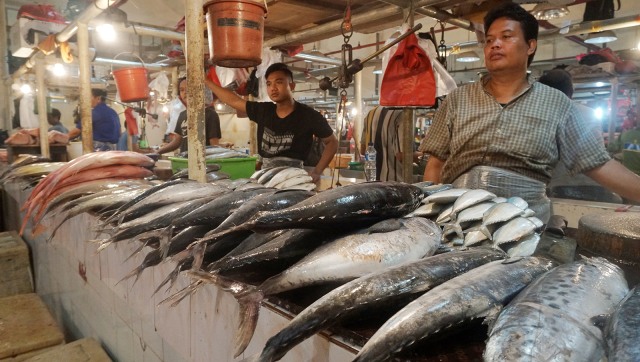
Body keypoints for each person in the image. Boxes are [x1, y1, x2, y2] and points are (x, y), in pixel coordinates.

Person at [420, 2, 640, 222]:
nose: (494, 44)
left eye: (506, 37)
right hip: (458, 222)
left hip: (525, 227)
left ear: (531, 46)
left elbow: (598, 163)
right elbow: (435, 164)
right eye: (489, 40)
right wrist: (431, 218)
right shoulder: (457, 99)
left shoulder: (556, 104)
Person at [204, 62, 338, 182]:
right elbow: (234, 101)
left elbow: (332, 142)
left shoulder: (308, 115)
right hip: (265, 175)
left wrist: (317, 171)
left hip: (294, 177)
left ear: (292, 85)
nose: (273, 88)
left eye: (278, 82)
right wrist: (206, 81)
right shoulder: (264, 110)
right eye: (269, 84)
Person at [152, 77, 221, 155]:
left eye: (188, 89)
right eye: (182, 90)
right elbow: (177, 141)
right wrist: (158, 152)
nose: (185, 92)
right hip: (185, 161)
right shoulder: (182, 115)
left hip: (202, 164)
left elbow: (214, 146)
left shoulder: (210, 115)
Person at [361, 106, 421, 182]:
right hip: (393, 183)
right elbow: (403, 156)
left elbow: (363, 150)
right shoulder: (404, 113)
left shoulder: (370, 113)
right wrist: (425, 156)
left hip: (371, 183)